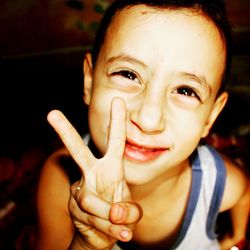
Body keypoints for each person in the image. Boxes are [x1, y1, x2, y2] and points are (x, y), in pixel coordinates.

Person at [36, 0, 250, 249]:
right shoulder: (61, 178)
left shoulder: (218, 183)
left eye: (185, 90)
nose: (148, 120)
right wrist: (87, 244)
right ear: (89, 82)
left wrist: (235, 238)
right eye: (128, 74)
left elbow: (244, 193)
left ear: (211, 116)